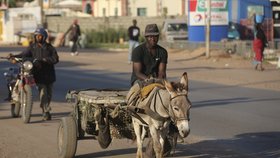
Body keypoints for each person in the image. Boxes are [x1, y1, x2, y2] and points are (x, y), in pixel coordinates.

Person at [9, 27, 59, 121]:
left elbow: (55, 59)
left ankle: (45, 108)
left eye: (40, 36)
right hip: (38, 75)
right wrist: (13, 56)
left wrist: (45, 60)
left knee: (49, 95)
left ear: (44, 37)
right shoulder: (32, 47)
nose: (38, 38)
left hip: (49, 75)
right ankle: (45, 111)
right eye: (37, 36)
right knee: (43, 93)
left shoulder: (50, 48)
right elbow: (23, 54)